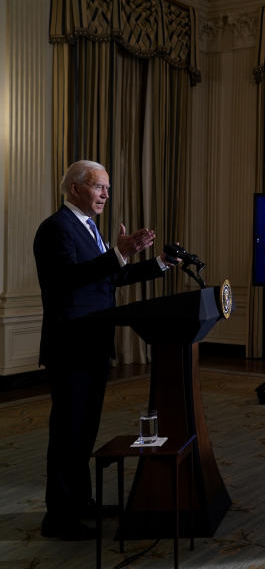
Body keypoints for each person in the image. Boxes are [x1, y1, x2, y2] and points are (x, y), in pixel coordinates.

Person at [33, 160, 180, 540]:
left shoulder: (90, 228)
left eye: (107, 189)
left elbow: (110, 277)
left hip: (94, 345)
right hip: (70, 347)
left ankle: (82, 503)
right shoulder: (55, 229)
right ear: (76, 188)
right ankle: (59, 518)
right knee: (67, 433)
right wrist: (118, 252)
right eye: (100, 187)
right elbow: (69, 279)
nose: (105, 195)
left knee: (84, 431)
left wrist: (159, 264)